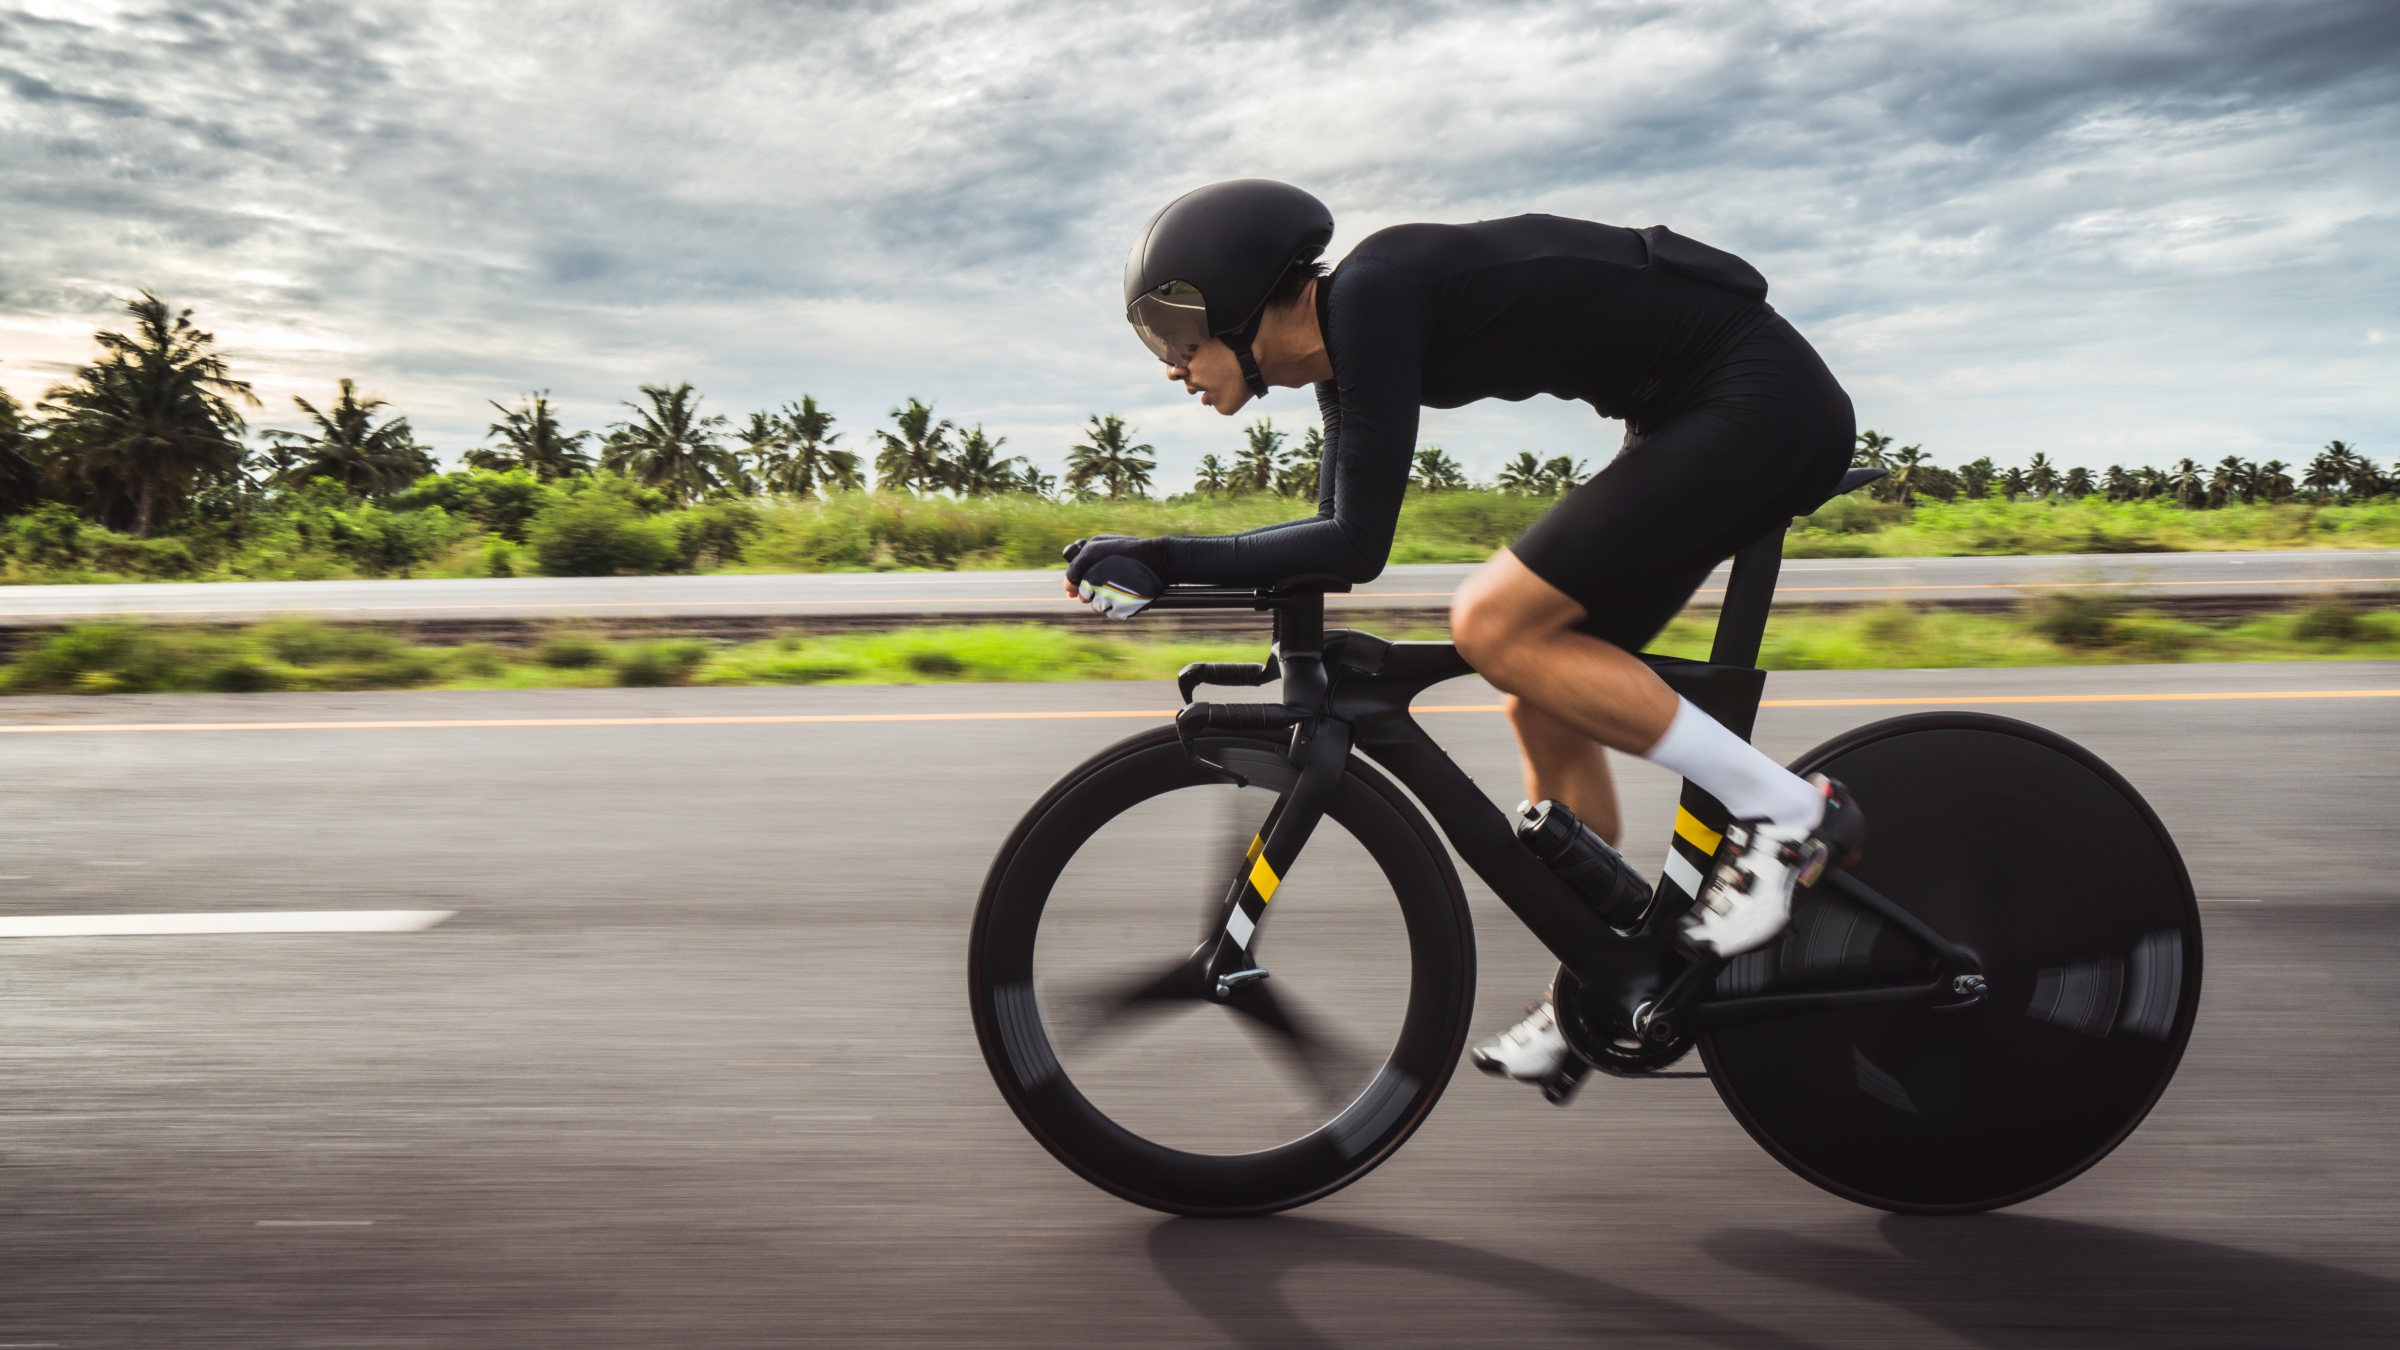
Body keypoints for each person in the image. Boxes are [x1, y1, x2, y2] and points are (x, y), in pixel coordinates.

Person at [1069, 180, 1866, 1089]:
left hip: (1758, 399)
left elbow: (1354, 545)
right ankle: (1609, 974)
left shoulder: (1371, 294)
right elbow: (1340, 544)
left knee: (1493, 624)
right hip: (1694, 411)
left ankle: (1794, 815)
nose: (1172, 362)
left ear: (1246, 300)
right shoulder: (1348, 361)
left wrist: (1166, 557)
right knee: (1541, 691)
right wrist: (1171, 567)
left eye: (1178, 333)